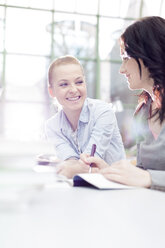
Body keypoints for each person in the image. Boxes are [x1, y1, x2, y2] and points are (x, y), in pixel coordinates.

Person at [80, 16, 165, 191]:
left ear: (149, 54)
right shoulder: (144, 111)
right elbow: (143, 173)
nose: (122, 69)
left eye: (126, 58)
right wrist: (110, 171)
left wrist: (149, 178)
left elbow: (147, 177)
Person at [45, 55, 125, 178]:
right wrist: (74, 168)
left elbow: (90, 162)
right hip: (82, 189)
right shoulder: (52, 126)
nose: (73, 89)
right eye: (64, 84)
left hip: (117, 187)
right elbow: (70, 162)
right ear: (52, 91)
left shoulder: (103, 112)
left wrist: (73, 169)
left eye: (79, 82)